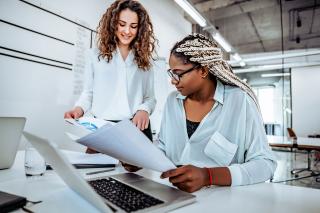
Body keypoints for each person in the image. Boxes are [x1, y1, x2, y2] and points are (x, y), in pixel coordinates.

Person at [157, 33, 277, 192]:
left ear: (203, 70)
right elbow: (162, 148)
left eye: (178, 74)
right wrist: (138, 159)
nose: (173, 81)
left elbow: (265, 164)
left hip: (223, 202)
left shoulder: (240, 101)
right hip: (172, 197)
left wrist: (208, 176)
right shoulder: (172, 101)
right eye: (171, 73)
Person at [64, 0, 157, 141]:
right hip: (103, 128)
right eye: (122, 24)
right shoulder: (94, 55)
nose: (127, 31)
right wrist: (78, 109)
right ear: (113, 24)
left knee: (135, 164)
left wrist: (144, 110)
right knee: (98, 163)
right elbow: (88, 93)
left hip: (136, 129)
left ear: (140, 29)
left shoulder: (145, 61)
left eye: (133, 26)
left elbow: (150, 98)